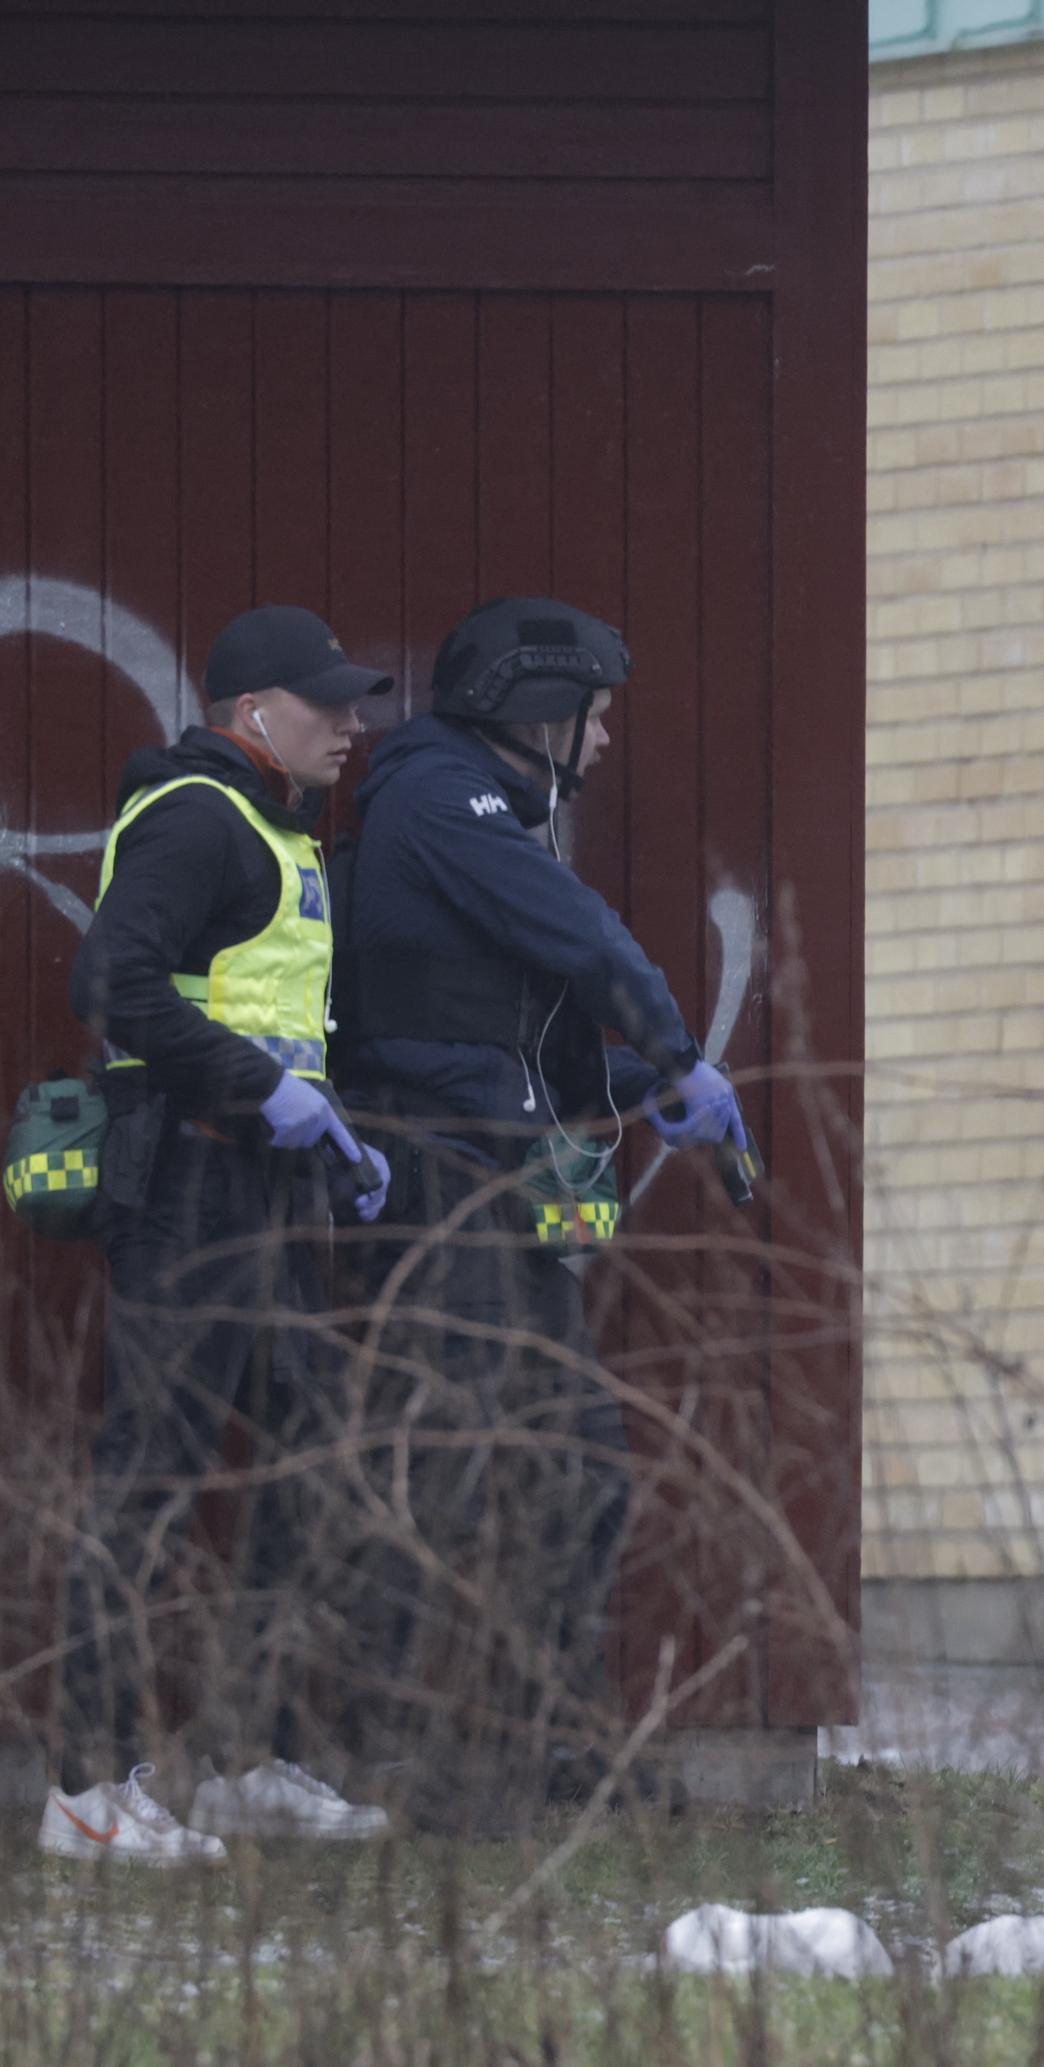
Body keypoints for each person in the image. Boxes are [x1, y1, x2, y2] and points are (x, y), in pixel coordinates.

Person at [328, 596, 748, 1832]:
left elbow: (526, 1034)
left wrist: (641, 1088)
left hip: (502, 1172)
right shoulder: (434, 799)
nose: (607, 742)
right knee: (448, 1465)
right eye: (596, 717)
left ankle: (556, 1740)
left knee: (576, 1466)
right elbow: (583, 942)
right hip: (437, 1175)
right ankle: (393, 1755)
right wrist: (672, 1045)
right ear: (536, 713)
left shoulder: (498, 817)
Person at [45, 605, 402, 1861]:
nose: (353, 726)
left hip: (261, 1191)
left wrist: (334, 1135)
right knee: (148, 1480)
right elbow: (112, 985)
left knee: (311, 1459)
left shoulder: (273, 829)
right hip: (188, 1187)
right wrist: (264, 1094)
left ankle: (252, 1758)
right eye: (330, 705)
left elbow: (263, 1018)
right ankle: (85, 1798)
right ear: (254, 715)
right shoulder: (200, 819)